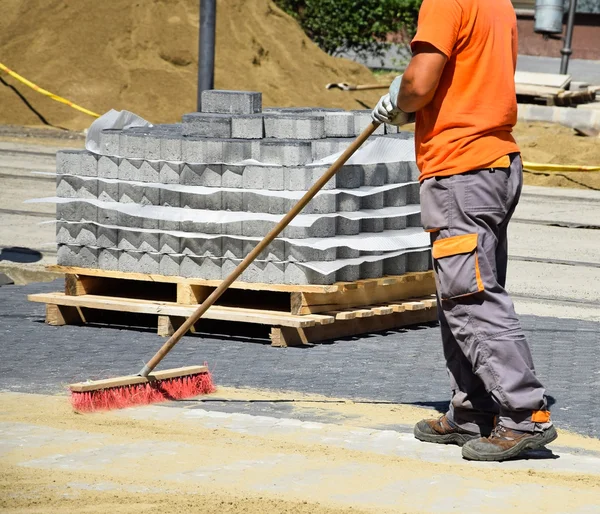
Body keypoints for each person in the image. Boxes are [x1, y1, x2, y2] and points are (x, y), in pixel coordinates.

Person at [372, 0, 557, 461]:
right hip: (493, 162)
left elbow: (420, 82)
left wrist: (399, 99)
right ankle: (472, 409)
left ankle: (522, 414)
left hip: (461, 167)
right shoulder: (499, 4)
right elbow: (472, 78)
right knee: (461, 294)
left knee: (471, 296)